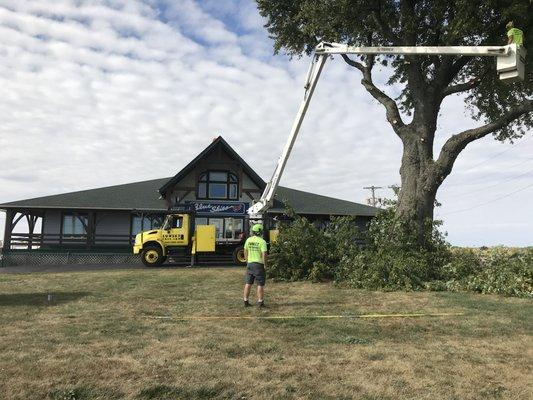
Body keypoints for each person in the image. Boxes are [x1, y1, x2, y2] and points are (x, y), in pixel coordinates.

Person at [243, 224, 268, 308]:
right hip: (258, 265)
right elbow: (264, 254)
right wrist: (265, 264)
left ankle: (245, 301)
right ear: (261, 232)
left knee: (248, 283)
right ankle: (260, 302)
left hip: (250, 264)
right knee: (260, 284)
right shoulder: (262, 241)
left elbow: (245, 251)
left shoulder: (248, 240)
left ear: (253, 232)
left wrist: (247, 261)